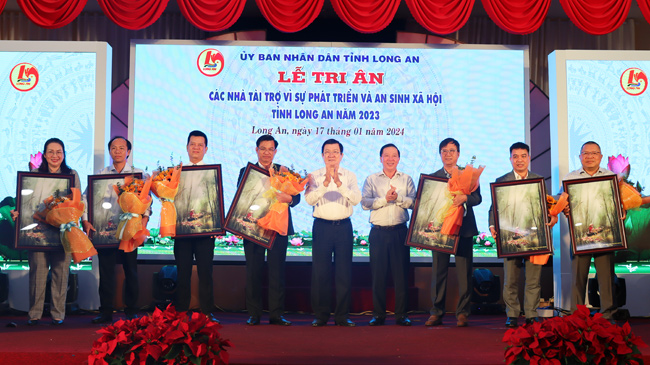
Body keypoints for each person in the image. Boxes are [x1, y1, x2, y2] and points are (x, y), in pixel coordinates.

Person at [13, 138, 81, 325]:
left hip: (63, 232)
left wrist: (84, 220)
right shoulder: (34, 174)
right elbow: (24, 201)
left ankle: (58, 314)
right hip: (39, 231)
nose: (55, 156)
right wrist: (17, 211)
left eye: (59, 152)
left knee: (61, 274)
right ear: (44, 155)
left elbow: (79, 201)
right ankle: (34, 314)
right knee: (38, 273)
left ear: (64, 154)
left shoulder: (71, 174)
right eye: (50, 152)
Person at [488, 142, 557, 328]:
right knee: (510, 279)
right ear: (510, 158)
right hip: (509, 237)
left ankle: (531, 314)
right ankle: (512, 314)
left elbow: (547, 207)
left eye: (523, 156)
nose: (519, 160)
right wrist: (493, 224)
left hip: (534, 238)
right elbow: (493, 208)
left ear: (529, 157)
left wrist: (551, 217)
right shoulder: (501, 180)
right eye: (515, 156)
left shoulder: (538, 180)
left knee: (533, 279)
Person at [82, 136, 150, 323]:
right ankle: (105, 311)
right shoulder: (101, 175)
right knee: (106, 271)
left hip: (130, 231)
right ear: (110, 151)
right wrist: (86, 221)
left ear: (128, 151)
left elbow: (146, 202)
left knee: (131, 270)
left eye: (122, 148)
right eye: (114, 148)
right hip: (106, 231)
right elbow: (86, 199)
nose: (118, 151)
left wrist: (144, 220)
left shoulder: (139, 175)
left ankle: (131, 310)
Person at [238, 135, 299, 326]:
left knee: (277, 273)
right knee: (253, 272)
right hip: (253, 227)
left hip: (277, 229)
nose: (266, 152)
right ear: (256, 150)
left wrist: (288, 198)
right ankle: (254, 314)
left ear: (275, 152)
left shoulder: (284, 172)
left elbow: (295, 199)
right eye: (262, 149)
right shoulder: (246, 171)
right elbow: (241, 199)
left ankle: (276, 314)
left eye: (270, 149)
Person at [425, 137, 482, 327]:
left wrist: (465, 197)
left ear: (458, 154)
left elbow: (477, 198)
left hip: (463, 229)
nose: (448, 154)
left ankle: (463, 312)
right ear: (440, 154)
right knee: (438, 272)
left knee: (464, 273)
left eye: (452, 151)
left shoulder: (469, 175)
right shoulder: (433, 178)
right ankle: (436, 312)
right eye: (444, 151)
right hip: (440, 232)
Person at [305, 139, 361, 327]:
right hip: (321, 227)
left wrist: (338, 183)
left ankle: (342, 316)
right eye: (327, 152)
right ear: (322, 155)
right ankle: (321, 316)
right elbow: (309, 199)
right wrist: (325, 183)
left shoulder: (350, 176)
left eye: (335, 152)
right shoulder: (314, 176)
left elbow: (356, 200)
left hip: (344, 227)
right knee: (320, 273)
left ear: (341, 155)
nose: (331, 155)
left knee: (343, 272)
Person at [361, 143, 416, 326]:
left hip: (400, 232)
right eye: (387, 155)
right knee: (378, 276)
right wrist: (385, 199)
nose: (390, 159)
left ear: (399, 159)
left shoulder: (406, 179)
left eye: (394, 156)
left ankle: (401, 315)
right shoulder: (372, 179)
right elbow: (365, 203)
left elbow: (415, 203)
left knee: (401, 276)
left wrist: (398, 198)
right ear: (381, 158)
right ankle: (378, 314)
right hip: (378, 233)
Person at [564, 141, 619, 322]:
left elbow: (619, 204)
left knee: (606, 278)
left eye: (594, 153)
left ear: (601, 156)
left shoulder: (612, 177)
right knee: (578, 278)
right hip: (580, 235)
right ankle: (577, 316)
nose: (589, 156)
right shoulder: (570, 178)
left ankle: (607, 315)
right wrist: (564, 209)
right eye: (585, 153)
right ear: (580, 156)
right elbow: (563, 204)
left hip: (606, 235)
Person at [173, 131, 218, 322]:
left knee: (205, 272)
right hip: (182, 230)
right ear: (187, 147)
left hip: (205, 230)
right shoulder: (176, 172)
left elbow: (216, 200)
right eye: (193, 144)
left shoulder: (212, 172)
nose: (196, 148)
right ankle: (180, 312)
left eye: (200, 145)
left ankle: (207, 312)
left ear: (206, 149)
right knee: (182, 272)